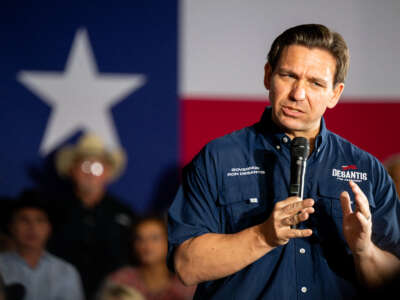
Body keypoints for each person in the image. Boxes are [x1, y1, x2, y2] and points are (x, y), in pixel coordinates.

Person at [167, 24, 400, 299]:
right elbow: (186, 267)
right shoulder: (218, 158)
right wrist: (263, 236)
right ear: (268, 76)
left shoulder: (367, 169)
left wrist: (365, 251)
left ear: (335, 94)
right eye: (289, 76)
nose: (298, 94)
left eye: (315, 83)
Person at [48, 132, 135, 299]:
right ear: (72, 170)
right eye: (85, 166)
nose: (90, 174)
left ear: (108, 172)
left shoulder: (124, 212)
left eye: (97, 167)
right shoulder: (53, 210)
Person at [0, 189, 84, 300]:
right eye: (24, 220)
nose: (32, 228)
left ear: (49, 228)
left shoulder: (66, 272)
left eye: (40, 220)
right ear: (11, 226)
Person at [105, 216, 195, 300]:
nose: (146, 245)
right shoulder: (121, 281)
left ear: (169, 241)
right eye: (139, 239)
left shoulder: (186, 285)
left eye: (154, 238)